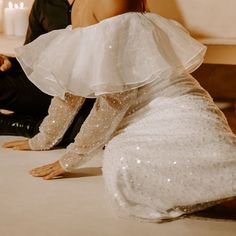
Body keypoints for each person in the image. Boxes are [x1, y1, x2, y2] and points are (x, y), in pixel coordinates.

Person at [3, 0, 236, 222]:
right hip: (135, 117)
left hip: (171, 103)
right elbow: (72, 85)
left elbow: (116, 96)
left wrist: (72, 158)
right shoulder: (76, 5)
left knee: (132, 166)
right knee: (124, 168)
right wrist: (44, 138)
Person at [0, 0, 94, 145]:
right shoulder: (44, 3)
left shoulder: (104, 4)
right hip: (47, 87)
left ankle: (24, 126)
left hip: (91, 91)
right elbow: (32, 56)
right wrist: (8, 61)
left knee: (92, 129)